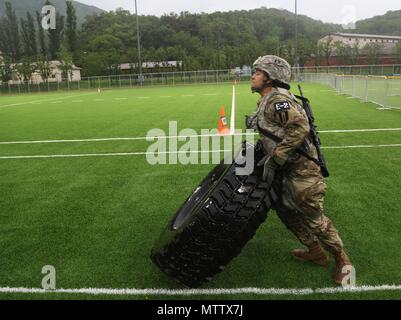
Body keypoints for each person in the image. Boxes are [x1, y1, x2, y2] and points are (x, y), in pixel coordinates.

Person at [246, 55, 353, 285]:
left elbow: (300, 126)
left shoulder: (278, 100)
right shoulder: (267, 101)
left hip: (303, 172)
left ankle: (342, 260)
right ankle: (315, 252)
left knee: (315, 218)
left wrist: (277, 156)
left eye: (257, 72)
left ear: (269, 77)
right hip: (288, 170)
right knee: (285, 210)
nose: (252, 76)